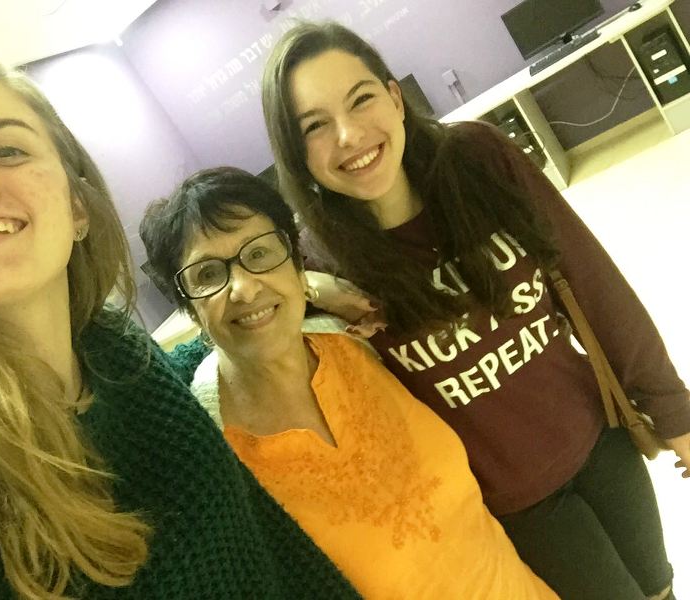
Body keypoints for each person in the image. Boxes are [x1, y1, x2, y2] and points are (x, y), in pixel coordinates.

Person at [0, 50, 364, 600]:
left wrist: (297, 292)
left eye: (7, 150)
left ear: (78, 208)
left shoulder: (115, 352)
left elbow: (181, 372)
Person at [260, 20, 688, 600]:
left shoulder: (476, 159)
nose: (349, 134)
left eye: (361, 99)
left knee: (660, 587)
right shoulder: (322, 260)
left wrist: (673, 409)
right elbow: (236, 337)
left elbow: (594, 281)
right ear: (296, 153)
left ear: (394, 97)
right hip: (515, 505)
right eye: (314, 126)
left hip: (598, 434)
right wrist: (308, 285)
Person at [139, 166, 558, 600]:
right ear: (188, 306)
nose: (244, 288)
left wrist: (316, 290)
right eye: (208, 275)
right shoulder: (215, 460)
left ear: (295, 259)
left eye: (259, 252)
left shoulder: (355, 341)